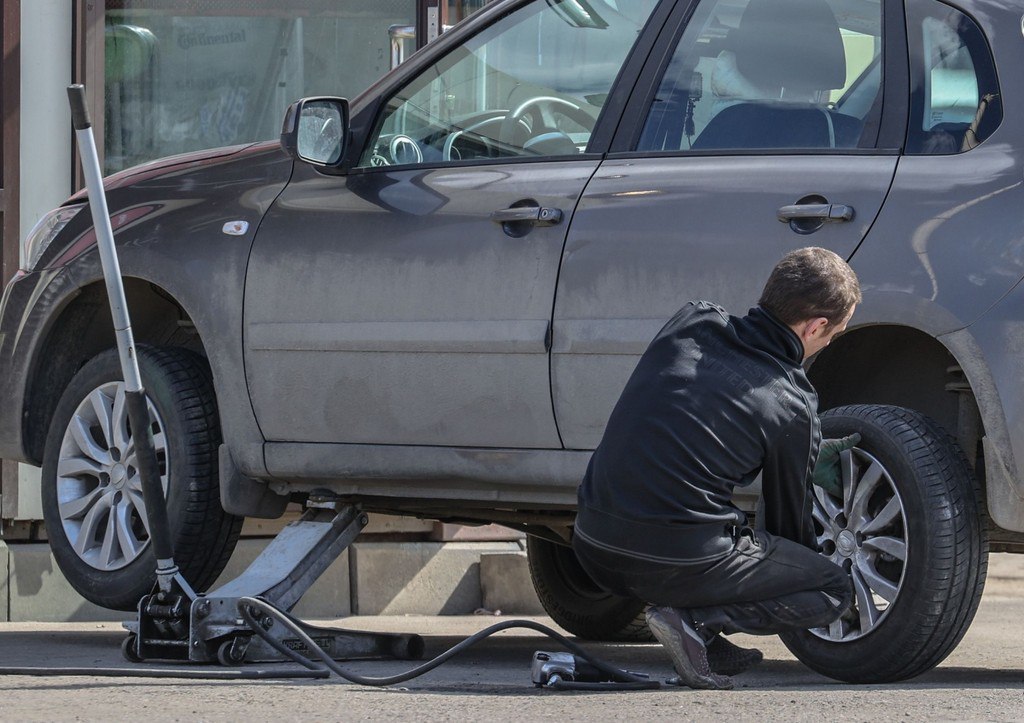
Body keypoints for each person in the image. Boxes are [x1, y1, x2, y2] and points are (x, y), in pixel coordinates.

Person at [572, 247, 860, 690]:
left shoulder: (692, 319)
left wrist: (802, 448)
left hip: (591, 545)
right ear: (815, 326)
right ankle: (694, 620)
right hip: (671, 561)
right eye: (833, 335)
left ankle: (697, 632)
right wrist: (802, 454)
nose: (827, 342)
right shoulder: (792, 403)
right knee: (831, 591)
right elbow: (787, 527)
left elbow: (684, 412)